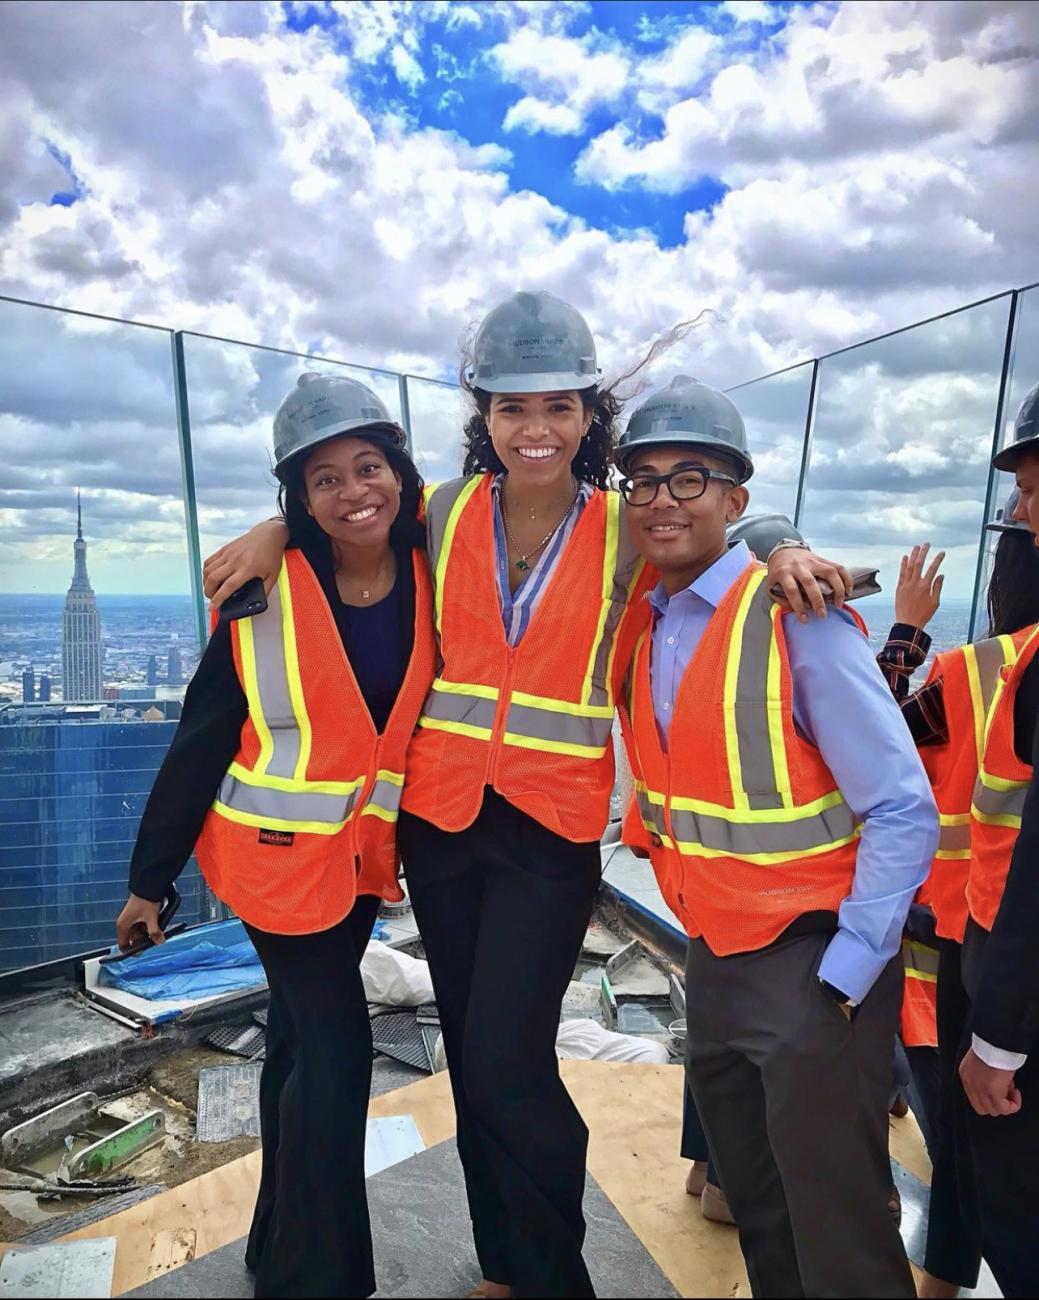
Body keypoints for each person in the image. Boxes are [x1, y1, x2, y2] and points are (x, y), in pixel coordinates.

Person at [200, 295, 847, 1300]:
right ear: (483, 415)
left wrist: (787, 542)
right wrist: (275, 525)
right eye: (511, 408)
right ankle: (506, 1263)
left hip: (548, 836)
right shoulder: (445, 509)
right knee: (472, 1056)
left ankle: (552, 1275)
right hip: (443, 826)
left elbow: (725, 517)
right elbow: (346, 510)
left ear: (589, 415)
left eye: (556, 406)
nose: (534, 429)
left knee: (508, 1062)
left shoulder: (624, 526)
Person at [614, 376, 937, 1298]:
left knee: (836, 1226)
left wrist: (847, 973)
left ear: (734, 499)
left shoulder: (801, 620)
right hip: (713, 957)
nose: (662, 499)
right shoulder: (648, 625)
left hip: (812, 968)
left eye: (690, 477)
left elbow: (901, 805)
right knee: (757, 1203)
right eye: (643, 480)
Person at [115, 374, 436, 1299]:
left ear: (399, 473)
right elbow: (201, 736)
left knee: (299, 1045)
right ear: (297, 497)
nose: (352, 491)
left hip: (356, 863)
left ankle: (273, 1246)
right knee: (335, 1056)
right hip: (270, 870)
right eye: (322, 480)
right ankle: (320, 1278)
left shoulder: (430, 565)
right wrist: (151, 880)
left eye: (367, 467)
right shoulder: (260, 595)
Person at [876, 503, 1039, 1299]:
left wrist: (905, 632)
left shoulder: (969, 669)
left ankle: (943, 1279)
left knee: (960, 1119)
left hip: (952, 926)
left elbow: (870, 732)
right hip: (1002, 938)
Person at [955, 382, 1039, 1298]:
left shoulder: (979, 668)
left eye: (1029, 486)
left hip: (1002, 985)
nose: (1020, 508)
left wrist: (1002, 1041)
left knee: (1014, 1219)